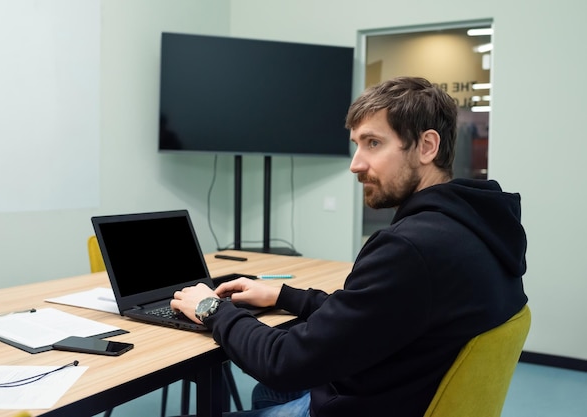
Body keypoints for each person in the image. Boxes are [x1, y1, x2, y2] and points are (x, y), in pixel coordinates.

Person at [170, 76, 528, 417]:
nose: (356, 164)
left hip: (370, 407)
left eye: (373, 143)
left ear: (427, 146)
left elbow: (283, 363)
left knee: (269, 385)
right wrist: (283, 295)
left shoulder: (410, 248)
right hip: (405, 391)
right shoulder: (471, 227)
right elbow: (371, 311)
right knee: (270, 394)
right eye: (357, 145)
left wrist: (212, 308)